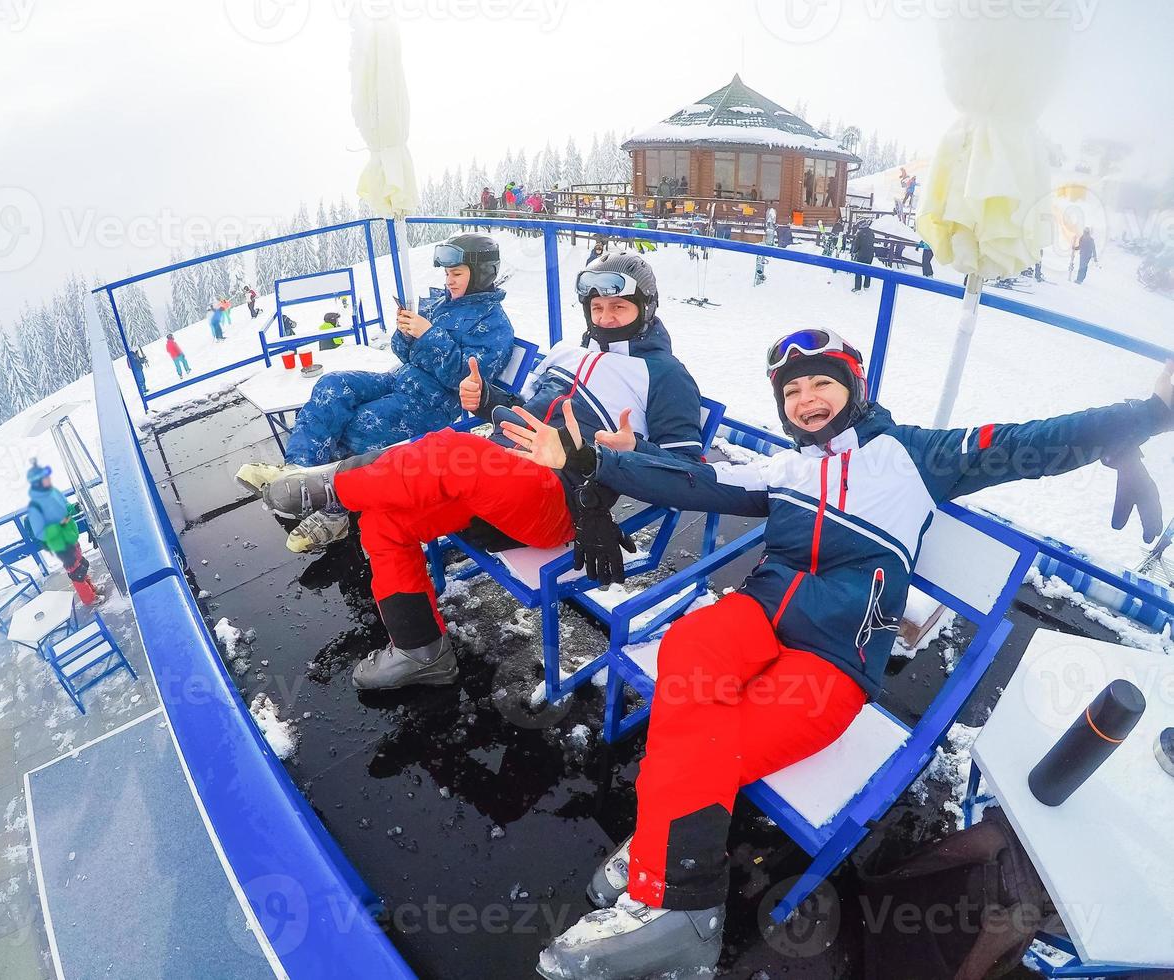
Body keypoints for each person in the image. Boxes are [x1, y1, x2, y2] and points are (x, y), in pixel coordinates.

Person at [520, 328, 1174, 979]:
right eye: (792, 389)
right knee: (692, 646)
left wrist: (1150, 413)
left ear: (853, 386)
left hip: (832, 660)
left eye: (821, 382)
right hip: (756, 619)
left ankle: (675, 893)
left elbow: (1027, 443)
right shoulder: (785, 467)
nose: (806, 399)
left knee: (709, 735)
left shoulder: (914, 456)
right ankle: (677, 878)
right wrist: (590, 461)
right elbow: (695, 479)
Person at [241, 254, 703, 687]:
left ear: (646, 308)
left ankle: (327, 487)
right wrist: (487, 403)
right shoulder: (569, 353)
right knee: (385, 521)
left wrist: (626, 452)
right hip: (498, 480)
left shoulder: (666, 376)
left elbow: (686, 472)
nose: (603, 318)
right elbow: (526, 410)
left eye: (618, 307)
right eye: (597, 307)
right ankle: (421, 651)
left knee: (449, 450)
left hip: (558, 498)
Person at [234, 234, 516, 550]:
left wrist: (428, 333)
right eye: (447, 274)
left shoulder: (495, 325)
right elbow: (404, 354)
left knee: (359, 424)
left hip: (433, 405)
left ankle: (334, 511)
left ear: (481, 274)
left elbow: (465, 379)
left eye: (457, 274)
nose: (449, 281)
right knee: (333, 385)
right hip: (400, 382)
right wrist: (406, 333)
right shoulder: (442, 304)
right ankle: (297, 468)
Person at [26, 459, 105, 605]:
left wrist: (73, 508)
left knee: (81, 565)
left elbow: (65, 507)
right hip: (60, 544)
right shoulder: (35, 507)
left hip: (70, 536)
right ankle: (89, 598)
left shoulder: (53, 492)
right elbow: (40, 533)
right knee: (76, 572)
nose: (48, 479)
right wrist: (59, 525)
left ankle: (91, 588)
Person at [852, 219, 876, 291]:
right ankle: (866, 286)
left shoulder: (860, 233)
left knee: (858, 270)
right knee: (868, 270)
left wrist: (854, 251)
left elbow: (856, 245)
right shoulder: (871, 232)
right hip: (870, 254)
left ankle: (857, 287)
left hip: (861, 254)